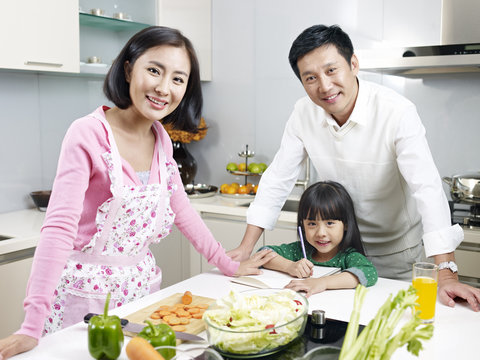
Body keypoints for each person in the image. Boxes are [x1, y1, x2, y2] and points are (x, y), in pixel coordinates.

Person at [0, 26, 276, 359]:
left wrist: (227, 263)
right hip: (84, 297)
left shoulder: (161, 138)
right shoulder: (87, 134)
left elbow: (184, 213)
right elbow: (58, 230)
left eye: (178, 79)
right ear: (129, 69)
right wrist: (31, 325)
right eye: (154, 70)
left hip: (141, 293)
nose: (163, 88)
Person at [228, 24, 480, 311]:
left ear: (354, 64)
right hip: (338, 253)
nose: (324, 86)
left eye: (331, 70)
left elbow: (428, 189)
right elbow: (277, 179)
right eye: (310, 77)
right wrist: (245, 248)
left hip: (396, 253)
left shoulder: (396, 112)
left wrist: (446, 273)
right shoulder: (302, 113)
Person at [260, 181, 377, 297]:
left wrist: (322, 282)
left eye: (330, 223)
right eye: (311, 224)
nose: (321, 233)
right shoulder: (299, 250)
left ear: (346, 224)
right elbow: (263, 254)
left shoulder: (348, 256)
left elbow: (368, 273)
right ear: (303, 226)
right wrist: (289, 266)